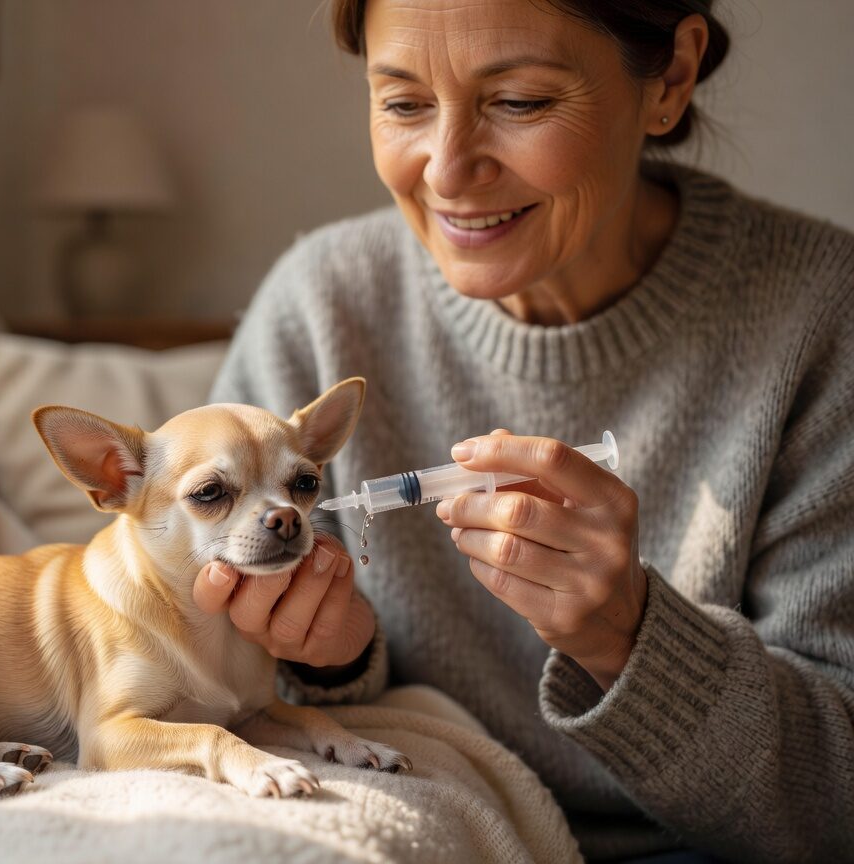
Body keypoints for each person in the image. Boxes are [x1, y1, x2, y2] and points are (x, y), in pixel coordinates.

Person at [192, 1, 854, 861]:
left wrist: (630, 638)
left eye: (520, 103)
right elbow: (189, 670)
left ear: (672, 78)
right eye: (403, 104)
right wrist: (324, 660)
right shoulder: (318, 308)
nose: (449, 170)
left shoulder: (822, 317)